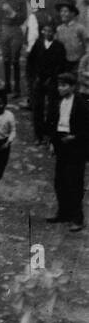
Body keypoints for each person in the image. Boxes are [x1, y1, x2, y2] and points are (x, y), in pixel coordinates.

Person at [50, 72, 88, 230]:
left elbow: (87, 128)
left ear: (73, 87)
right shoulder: (58, 102)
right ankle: (63, 213)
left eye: (64, 85)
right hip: (61, 143)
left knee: (75, 182)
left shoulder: (81, 103)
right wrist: (53, 142)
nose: (60, 88)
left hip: (76, 147)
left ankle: (77, 218)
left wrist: (74, 137)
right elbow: (53, 122)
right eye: (59, 85)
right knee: (60, 180)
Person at [28, 21, 67, 143]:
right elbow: (31, 61)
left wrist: (53, 78)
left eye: (50, 31)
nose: (47, 33)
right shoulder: (38, 44)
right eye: (45, 30)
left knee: (52, 108)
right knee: (37, 106)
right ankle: (38, 134)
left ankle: (50, 134)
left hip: (52, 80)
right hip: (39, 79)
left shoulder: (58, 46)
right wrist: (34, 77)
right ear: (42, 31)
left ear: (54, 33)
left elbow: (61, 65)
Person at [0, 0, 28, 97]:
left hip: (16, 30)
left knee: (15, 60)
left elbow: (23, 17)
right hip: (5, 30)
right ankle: (7, 86)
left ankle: (17, 89)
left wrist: (12, 12)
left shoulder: (21, 0)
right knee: (5, 59)